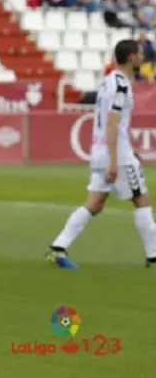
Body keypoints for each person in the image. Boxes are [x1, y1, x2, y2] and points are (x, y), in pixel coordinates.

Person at [46, 40, 156, 269]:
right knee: (142, 200)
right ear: (130, 58)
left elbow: (111, 121)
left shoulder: (108, 82)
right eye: (139, 54)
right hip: (115, 155)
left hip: (100, 151)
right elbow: (113, 123)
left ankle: (58, 247)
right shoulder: (121, 86)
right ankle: (153, 256)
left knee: (94, 203)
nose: (142, 58)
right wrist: (115, 161)